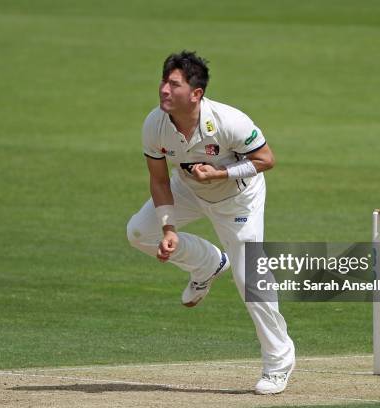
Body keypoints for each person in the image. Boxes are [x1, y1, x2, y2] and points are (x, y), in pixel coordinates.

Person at [126, 50, 295, 394]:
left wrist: (220, 173)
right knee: (140, 232)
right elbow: (159, 181)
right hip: (187, 190)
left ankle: (278, 364)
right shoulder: (154, 124)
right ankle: (206, 265)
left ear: (196, 93)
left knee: (249, 273)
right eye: (164, 82)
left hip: (238, 197)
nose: (164, 90)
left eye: (174, 85)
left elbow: (266, 159)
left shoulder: (229, 121)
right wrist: (169, 228)